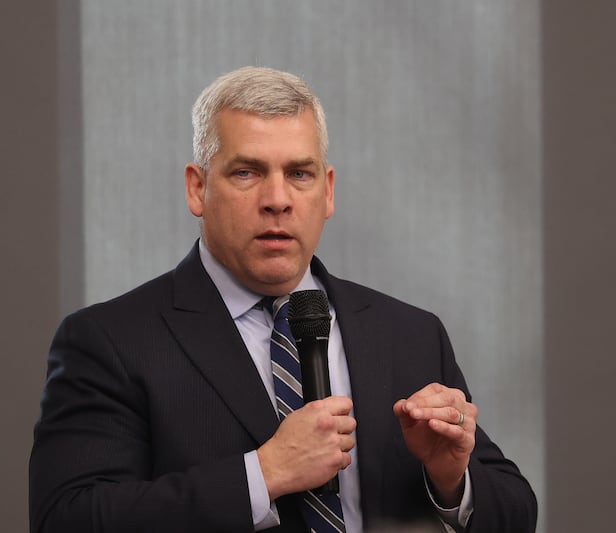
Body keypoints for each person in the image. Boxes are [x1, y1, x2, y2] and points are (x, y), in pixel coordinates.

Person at [29, 66, 537, 533]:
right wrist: (263, 474)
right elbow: (68, 519)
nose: (278, 199)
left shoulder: (409, 334)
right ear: (197, 188)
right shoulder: (110, 340)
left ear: (328, 191)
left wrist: (451, 482)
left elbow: (516, 512)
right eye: (246, 172)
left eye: (300, 173)